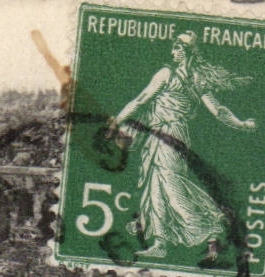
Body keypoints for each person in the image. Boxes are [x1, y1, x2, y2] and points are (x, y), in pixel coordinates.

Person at [107, 30, 257, 258]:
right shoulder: (195, 79)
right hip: (167, 134)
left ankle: (209, 227)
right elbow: (217, 111)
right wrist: (242, 124)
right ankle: (165, 241)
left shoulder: (170, 74)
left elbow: (141, 100)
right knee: (158, 184)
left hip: (168, 134)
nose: (173, 52)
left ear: (188, 52)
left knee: (169, 184)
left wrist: (116, 122)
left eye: (178, 48)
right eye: (174, 47)